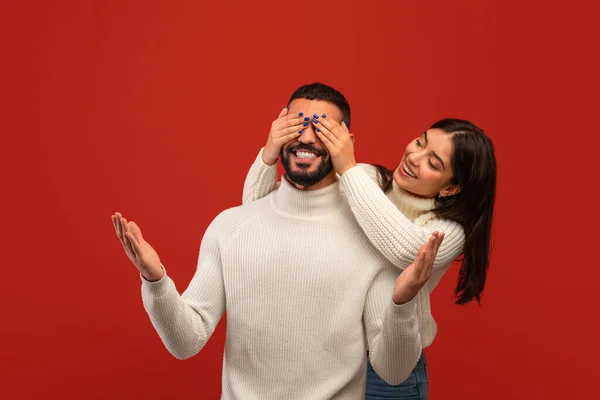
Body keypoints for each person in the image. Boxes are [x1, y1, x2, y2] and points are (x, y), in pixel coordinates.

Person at [111, 82, 446, 400]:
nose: (307, 138)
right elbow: (186, 341)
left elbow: (393, 371)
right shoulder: (229, 227)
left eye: (322, 129)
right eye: (296, 125)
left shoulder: (372, 237)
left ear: (345, 142)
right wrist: (156, 280)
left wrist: (402, 304)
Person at [243, 85, 497, 399]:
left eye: (434, 163)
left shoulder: (448, 231)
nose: (414, 157)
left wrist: (347, 170)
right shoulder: (367, 180)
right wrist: (270, 154)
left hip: (388, 376)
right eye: (419, 142)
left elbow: (406, 251)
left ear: (451, 188)